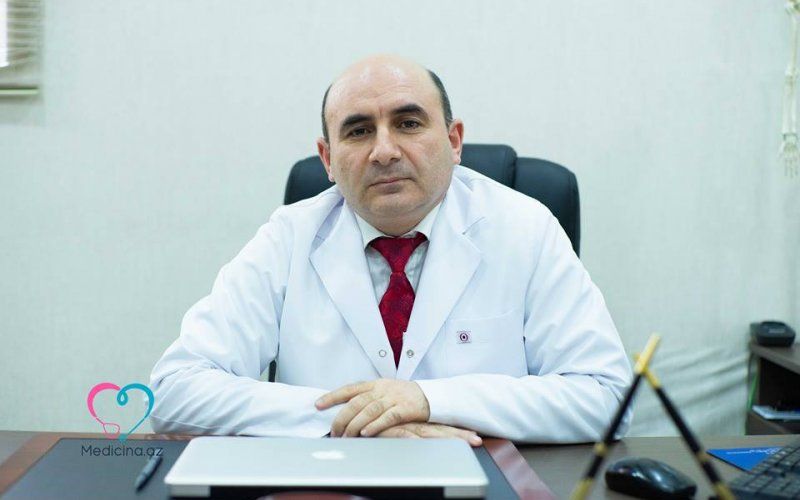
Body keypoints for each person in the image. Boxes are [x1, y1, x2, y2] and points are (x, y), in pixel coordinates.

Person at [149, 54, 632, 445]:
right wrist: (357, 419)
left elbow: (605, 396)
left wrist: (430, 401)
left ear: (454, 141)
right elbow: (175, 389)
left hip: (483, 474)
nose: (384, 151)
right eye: (359, 131)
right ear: (328, 160)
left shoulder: (524, 228)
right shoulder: (289, 236)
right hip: (327, 477)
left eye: (408, 123)